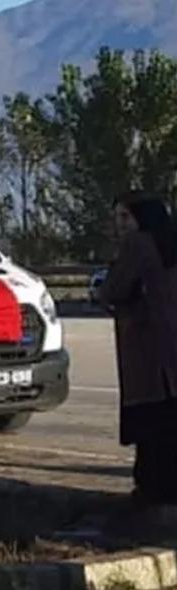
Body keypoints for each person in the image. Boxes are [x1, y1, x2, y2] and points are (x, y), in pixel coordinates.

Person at [95, 191, 177, 510]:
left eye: (125, 217)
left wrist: (103, 292)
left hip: (149, 351)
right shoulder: (169, 243)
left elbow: (114, 289)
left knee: (152, 429)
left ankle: (154, 493)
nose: (120, 225)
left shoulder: (139, 245)